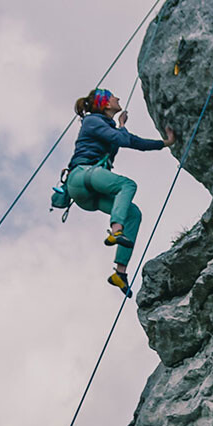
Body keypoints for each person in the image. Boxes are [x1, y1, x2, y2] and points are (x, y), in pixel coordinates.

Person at [66, 88, 176, 295]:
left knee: (134, 214)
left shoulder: (106, 125)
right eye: (113, 96)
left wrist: (165, 143)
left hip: (89, 193)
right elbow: (122, 139)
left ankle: (120, 272)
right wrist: (123, 127)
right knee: (127, 185)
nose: (118, 98)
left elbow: (135, 142)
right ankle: (116, 230)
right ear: (106, 104)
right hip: (82, 176)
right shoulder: (92, 121)